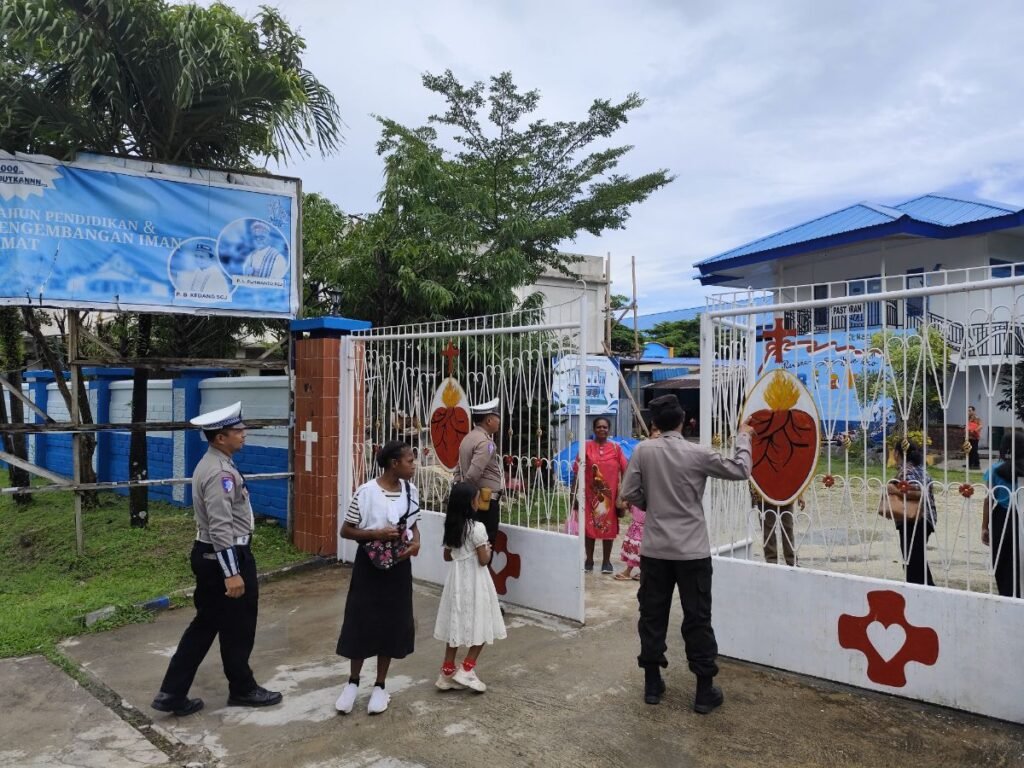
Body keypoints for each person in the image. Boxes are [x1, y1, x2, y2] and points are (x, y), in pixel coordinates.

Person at [620, 395, 753, 715]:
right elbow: (741, 470)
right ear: (683, 421)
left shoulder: (643, 451)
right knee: (697, 618)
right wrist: (743, 437)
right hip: (692, 552)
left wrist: (653, 505)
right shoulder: (698, 453)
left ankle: (653, 685)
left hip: (655, 550)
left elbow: (629, 493)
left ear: (654, 423)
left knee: (652, 616)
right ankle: (704, 692)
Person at [151, 402, 282, 716]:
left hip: (211, 555)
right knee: (238, 626)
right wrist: (232, 573)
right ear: (221, 437)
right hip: (225, 556)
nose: (244, 433)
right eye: (238, 430)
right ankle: (243, 689)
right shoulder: (220, 473)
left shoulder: (214, 463)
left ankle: (172, 692)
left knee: (205, 624)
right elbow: (220, 525)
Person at [335, 441, 421, 715]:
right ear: (394, 463)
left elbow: (413, 526)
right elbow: (346, 530)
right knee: (361, 620)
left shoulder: (411, 491)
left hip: (399, 565)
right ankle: (352, 682)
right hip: (369, 565)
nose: (414, 466)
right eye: (410, 461)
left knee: (392, 623)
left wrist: (416, 543)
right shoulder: (366, 492)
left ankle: (380, 685)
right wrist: (376, 534)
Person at [433, 482, 507, 692]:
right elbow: (484, 560)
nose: (478, 501)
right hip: (475, 579)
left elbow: (447, 556)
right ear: (470, 503)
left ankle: (447, 671)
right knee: (483, 621)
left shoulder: (451, 527)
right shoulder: (478, 528)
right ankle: (467, 668)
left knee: (455, 622)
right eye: (476, 498)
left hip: (456, 580)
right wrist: (487, 550)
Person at [572, 416, 629, 574]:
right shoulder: (586, 447)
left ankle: (606, 561)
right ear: (594, 429)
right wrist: (574, 495)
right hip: (590, 497)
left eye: (605, 427)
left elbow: (626, 470)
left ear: (609, 430)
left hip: (609, 498)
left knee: (608, 529)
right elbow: (577, 472)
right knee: (589, 528)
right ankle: (589, 560)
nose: (602, 429)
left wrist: (623, 493)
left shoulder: (616, 449)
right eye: (599, 427)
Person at [454, 398, 503, 554]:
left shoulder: (468, 438)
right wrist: (469, 497)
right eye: (497, 418)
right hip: (483, 502)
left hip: (475, 499)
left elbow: (459, 469)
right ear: (489, 420)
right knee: (485, 543)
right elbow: (473, 474)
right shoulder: (486, 443)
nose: (499, 422)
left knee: (470, 543)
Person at [888, 441, 936, 586]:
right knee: (917, 559)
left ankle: (921, 589)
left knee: (912, 561)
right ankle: (925, 587)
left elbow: (919, 493)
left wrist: (895, 490)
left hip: (913, 519)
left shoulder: (906, 471)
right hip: (926, 519)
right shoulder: (920, 469)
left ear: (897, 453)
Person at [616, 425, 661, 581]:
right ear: (650, 435)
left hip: (657, 501)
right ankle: (630, 569)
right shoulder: (641, 452)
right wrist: (627, 497)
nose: (658, 436)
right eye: (655, 433)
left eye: (660, 434)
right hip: (640, 499)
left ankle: (643, 570)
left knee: (648, 537)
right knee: (636, 532)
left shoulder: (665, 456)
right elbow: (631, 475)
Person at [982, 431, 1023, 597]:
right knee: (1018, 558)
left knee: (1000, 558)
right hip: (1021, 516)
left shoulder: (995, 469)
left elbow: (988, 500)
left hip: (1001, 517)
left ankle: (1006, 594)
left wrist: (984, 527)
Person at [752, 485, 801, 566]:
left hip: (786, 491)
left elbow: (796, 477)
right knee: (768, 530)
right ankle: (772, 562)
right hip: (764, 491)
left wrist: (800, 495)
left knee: (788, 528)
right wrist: (754, 491)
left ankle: (792, 562)